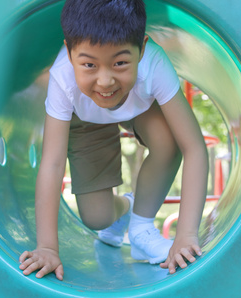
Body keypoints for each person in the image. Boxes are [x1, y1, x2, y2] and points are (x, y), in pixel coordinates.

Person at [18, 0, 208, 280]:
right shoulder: (63, 78)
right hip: (84, 117)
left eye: (120, 62)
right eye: (89, 65)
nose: (105, 80)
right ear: (69, 53)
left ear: (142, 49)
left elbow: (193, 147)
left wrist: (186, 234)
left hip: (138, 103)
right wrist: (47, 247)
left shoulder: (154, 63)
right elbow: (53, 162)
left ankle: (142, 228)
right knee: (96, 218)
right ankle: (127, 208)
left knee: (169, 142)